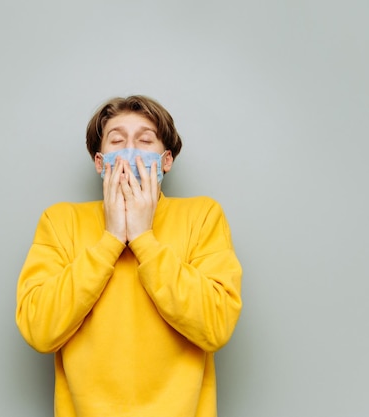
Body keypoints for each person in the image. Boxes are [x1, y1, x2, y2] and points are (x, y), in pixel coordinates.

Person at [16, 95, 242, 417]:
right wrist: (110, 241)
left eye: (145, 139)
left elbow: (216, 325)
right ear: (100, 162)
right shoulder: (60, 222)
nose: (130, 151)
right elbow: (39, 329)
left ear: (166, 161)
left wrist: (142, 238)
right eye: (117, 140)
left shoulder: (203, 216)